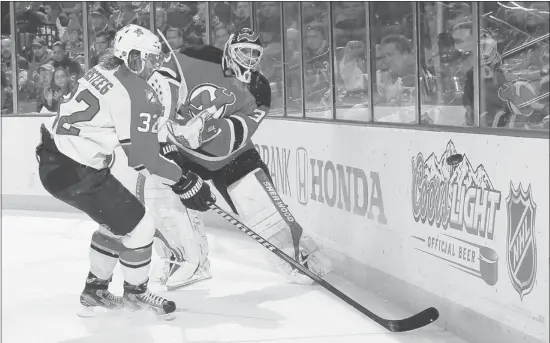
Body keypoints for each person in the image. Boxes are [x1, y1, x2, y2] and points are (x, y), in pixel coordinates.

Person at [35, 24, 214, 319]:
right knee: (141, 226)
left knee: (116, 225)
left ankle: (96, 290)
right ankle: (136, 292)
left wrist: (167, 135)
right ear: (133, 57)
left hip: (55, 160)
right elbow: (143, 158)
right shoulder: (139, 93)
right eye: (151, 59)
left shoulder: (101, 70)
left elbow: (126, 123)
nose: (154, 67)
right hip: (77, 170)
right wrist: (185, 181)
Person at [147, 28, 332, 288]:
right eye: (243, 51)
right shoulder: (193, 54)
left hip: (235, 159)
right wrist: (167, 121)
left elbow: (233, 137)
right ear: (230, 49)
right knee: (160, 198)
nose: (248, 58)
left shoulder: (259, 88)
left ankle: (300, 257)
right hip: (183, 155)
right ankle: (184, 260)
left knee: (264, 214)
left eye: (254, 53)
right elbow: (160, 84)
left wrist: (203, 129)